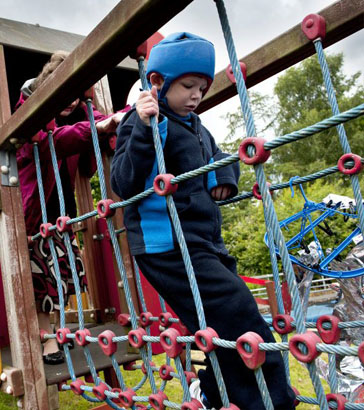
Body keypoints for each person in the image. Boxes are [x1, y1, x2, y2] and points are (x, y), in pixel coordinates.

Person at [111, 33, 295, 409]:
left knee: (215, 321)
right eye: (187, 86)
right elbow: (123, 181)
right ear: (158, 83)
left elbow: (219, 158)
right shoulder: (139, 122)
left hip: (204, 239)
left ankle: (217, 393)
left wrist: (225, 179)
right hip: (167, 243)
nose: (196, 95)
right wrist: (148, 128)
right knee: (236, 305)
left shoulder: (197, 126)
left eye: (202, 87)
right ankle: (268, 401)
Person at [16, 50, 127, 364]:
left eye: (78, 96)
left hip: (62, 215)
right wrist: (99, 127)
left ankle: (58, 334)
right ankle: (47, 342)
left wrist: (111, 121)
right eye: (65, 93)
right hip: (31, 217)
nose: (71, 101)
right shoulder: (30, 113)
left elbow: (88, 167)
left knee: (64, 279)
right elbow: (49, 140)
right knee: (40, 283)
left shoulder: (78, 119)